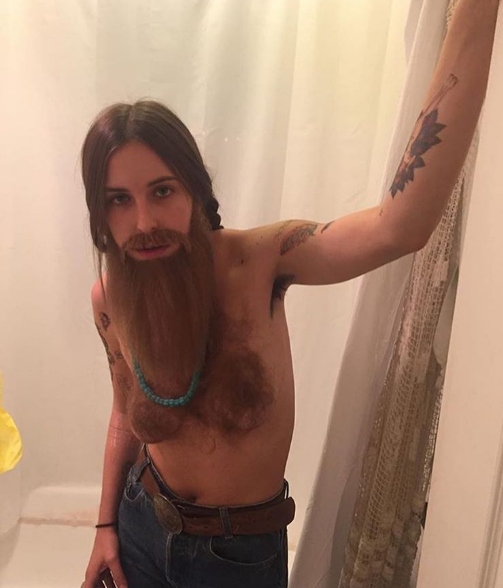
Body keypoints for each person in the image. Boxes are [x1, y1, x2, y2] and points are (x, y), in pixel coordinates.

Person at [81, 1, 500, 586]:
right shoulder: (110, 298)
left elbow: (398, 227)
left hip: (237, 558)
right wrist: (105, 526)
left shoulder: (262, 261)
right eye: (119, 200)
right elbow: (123, 414)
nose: (144, 221)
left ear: (196, 189)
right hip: (140, 531)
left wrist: (476, 14)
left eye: (162, 190)